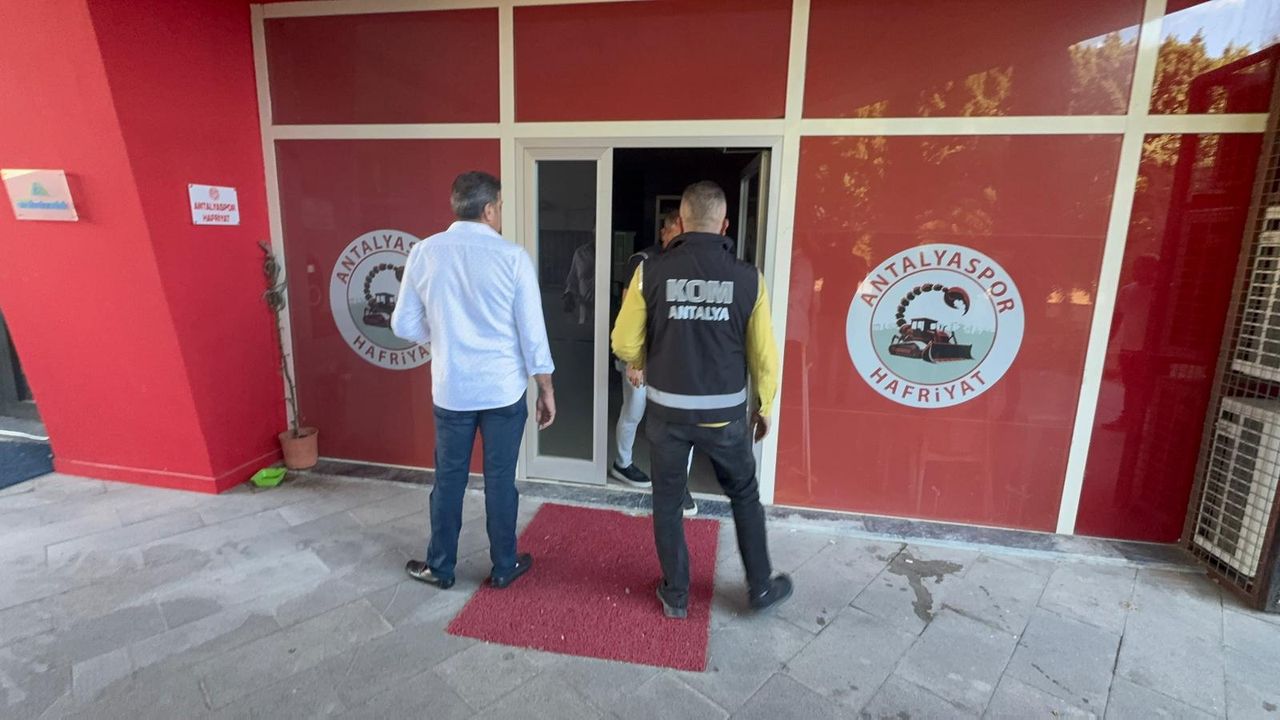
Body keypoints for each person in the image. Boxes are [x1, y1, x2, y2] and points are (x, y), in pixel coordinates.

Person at [612, 181, 792, 619]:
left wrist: (640, 360)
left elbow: (623, 340)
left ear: (681, 222)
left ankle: (676, 593)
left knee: (668, 500)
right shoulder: (749, 278)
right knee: (744, 495)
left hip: (667, 414)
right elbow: (764, 355)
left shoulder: (650, 272)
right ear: (725, 224)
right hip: (725, 418)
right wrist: (765, 405)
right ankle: (760, 587)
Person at [391, 171, 556, 590]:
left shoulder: (425, 252)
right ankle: (504, 565)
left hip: (453, 390)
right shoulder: (513, 258)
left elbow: (402, 324)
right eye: (499, 205)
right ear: (488, 210)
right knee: (500, 481)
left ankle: (440, 566)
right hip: (503, 391)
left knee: (448, 480)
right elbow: (532, 333)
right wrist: (546, 388)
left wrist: (441, 338)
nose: (500, 212)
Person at [612, 210, 698, 517]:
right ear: (665, 232)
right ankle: (622, 463)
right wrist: (635, 360)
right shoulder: (643, 261)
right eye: (678, 229)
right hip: (643, 357)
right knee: (635, 410)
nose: (684, 236)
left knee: (680, 422)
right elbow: (629, 313)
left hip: (674, 358)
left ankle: (679, 486)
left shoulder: (691, 262)